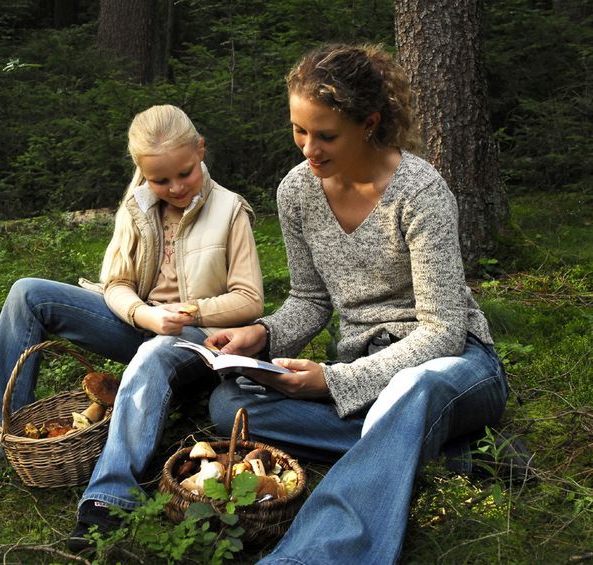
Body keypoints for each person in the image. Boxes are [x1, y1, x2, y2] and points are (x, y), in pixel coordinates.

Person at [205, 44, 510, 564]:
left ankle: (314, 555)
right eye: (299, 130)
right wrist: (263, 335)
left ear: (369, 123)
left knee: (412, 391)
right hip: (361, 365)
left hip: (452, 366)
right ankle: (443, 452)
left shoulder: (420, 192)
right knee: (229, 406)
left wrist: (332, 382)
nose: (308, 149)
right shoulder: (296, 192)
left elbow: (443, 330)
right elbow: (308, 299)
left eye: (326, 135)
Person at [0, 104, 264, 542]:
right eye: (161, 180)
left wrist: (189, 312)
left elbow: (249, 299)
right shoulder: (137, 207)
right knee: (28, 292)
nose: (175, 187)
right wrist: (144, 313)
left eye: (185, 173)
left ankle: (109, 496)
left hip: (195, 339)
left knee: (155, 348)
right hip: (141, 323)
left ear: (200, 151)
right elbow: (116, 284)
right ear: (142, 170)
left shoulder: (230, 210)